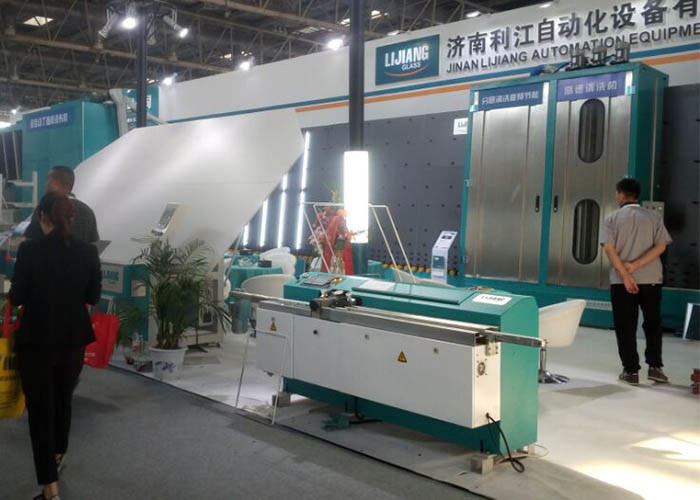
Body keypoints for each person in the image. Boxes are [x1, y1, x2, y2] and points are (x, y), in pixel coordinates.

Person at [9, 192, 102, 500]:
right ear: (71, 218)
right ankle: (58, 455)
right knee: (63, 402)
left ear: (42, 218)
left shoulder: (30, 250)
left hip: (36, 342)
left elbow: (17, 297)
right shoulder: (88, 252)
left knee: (40, 412)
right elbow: (93, 297)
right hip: (73, 342)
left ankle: (50, 488)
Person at [602, 178, 672, 386]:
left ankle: (631, 371)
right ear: (637, 195)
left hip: (621, 282)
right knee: (652, 323)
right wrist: (637, 265)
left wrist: (625, 274)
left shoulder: (612, 218)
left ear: (620, 194)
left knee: (625, 326)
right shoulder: (653, 217)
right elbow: (661, 246)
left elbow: (609, 249)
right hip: (651, 279)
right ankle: (655, 368)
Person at [24, 165, 99, 244]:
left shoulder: (44, 208)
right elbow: (94, 244)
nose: (46, 185)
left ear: (52, 183)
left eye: (47, 180)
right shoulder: (88, 212)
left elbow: (30, 241)